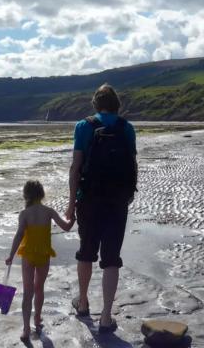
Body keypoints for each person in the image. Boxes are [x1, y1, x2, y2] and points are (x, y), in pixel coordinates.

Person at [64, 83, 137, 334]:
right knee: (111, 258)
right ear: (117, 104)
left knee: (86, 252)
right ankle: (106, 316)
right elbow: (132, 164)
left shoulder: (84, 126)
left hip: (89, 200)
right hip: (117, 200)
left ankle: (83, 303)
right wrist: (128, 195)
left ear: (95, 103)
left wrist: (71, 202)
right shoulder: (126, 128)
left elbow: (76, 168)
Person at [6, 180, 76, 343]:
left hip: (29, 256)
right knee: (39, 289)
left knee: (28, 292)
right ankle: (37, 318)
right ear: (41, 193)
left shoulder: (25, 214)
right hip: (43, 256)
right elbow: (66, 227)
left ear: (26, 195)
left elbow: (19, 236)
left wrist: (11, 255)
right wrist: (73, 217)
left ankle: (25, 329)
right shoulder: (49, 211)